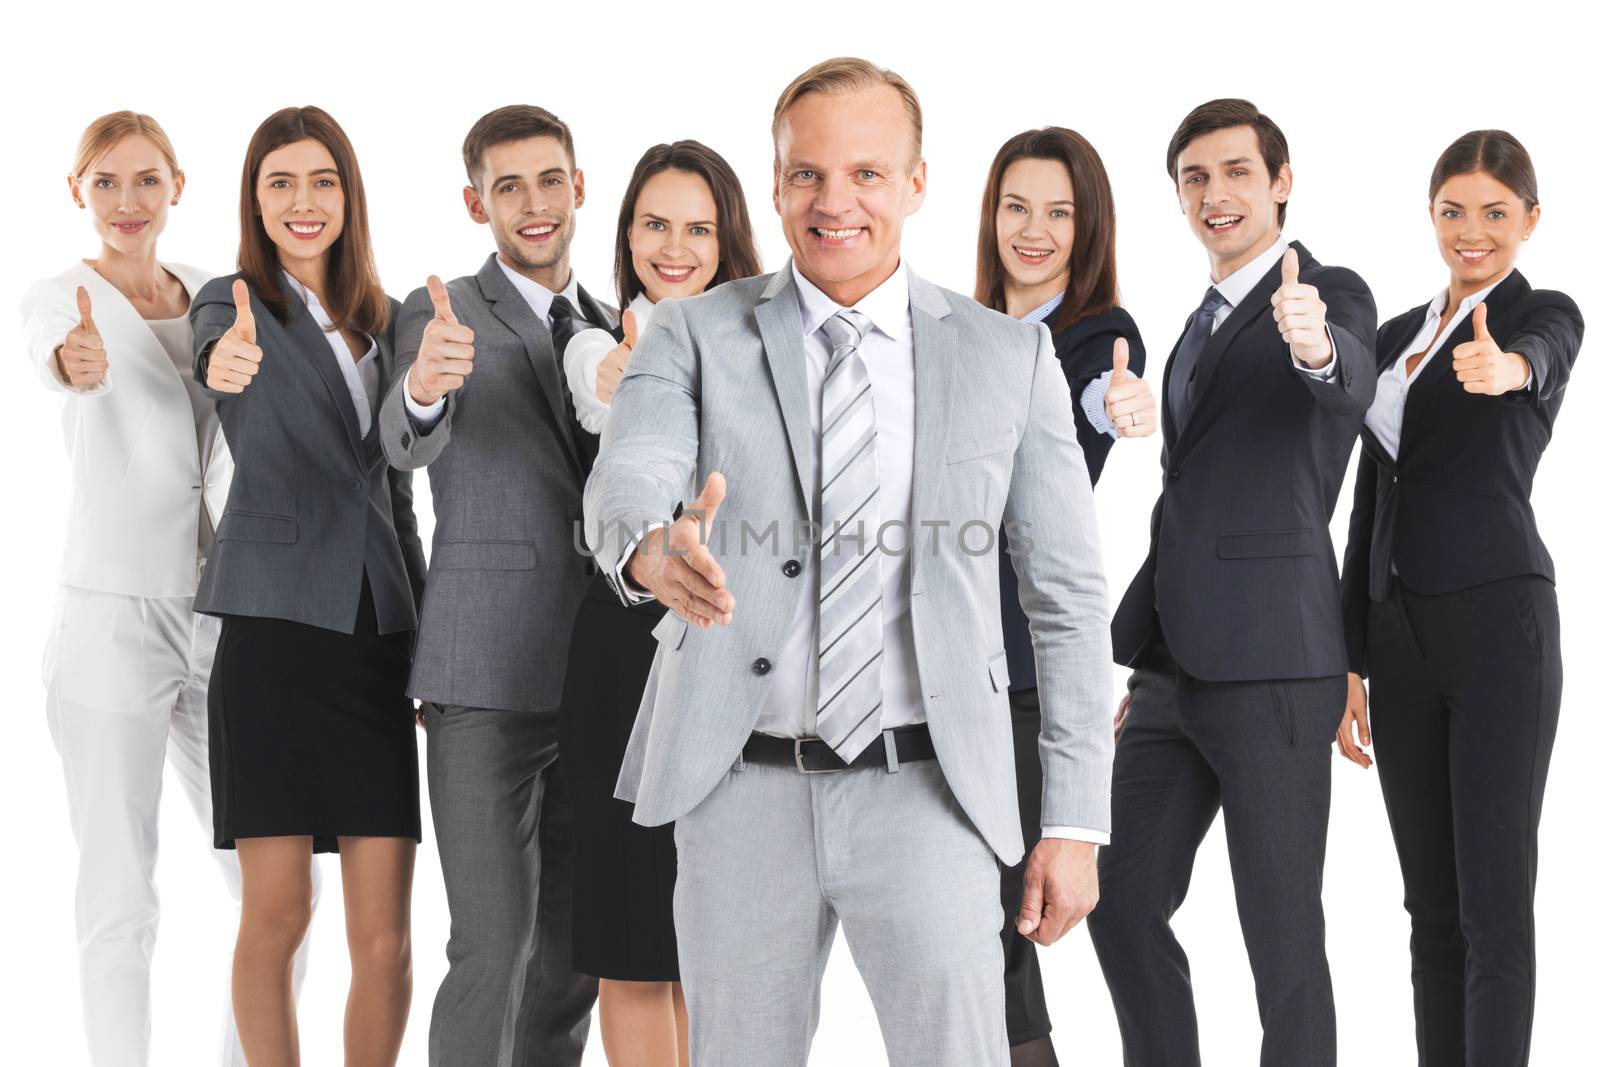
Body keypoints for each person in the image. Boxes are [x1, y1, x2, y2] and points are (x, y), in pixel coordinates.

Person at [584, 57, 1113, 1067]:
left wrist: (1077, 816)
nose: (835, 202)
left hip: (930, 791)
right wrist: (652, 547)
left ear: (917, 183)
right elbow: (632, 468)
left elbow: (1068, 599)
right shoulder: (693, 332)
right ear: (776, 183)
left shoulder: (1008, 356)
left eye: (867, 174)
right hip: (738, 791)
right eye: (807, 175)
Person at [1086, 98, 1377, 1067]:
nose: (1215, 193)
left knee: (1281, 935)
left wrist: (1314, 341)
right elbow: (1195, 493)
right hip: (1171, 672)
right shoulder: (1195, 325)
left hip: (1275, 666)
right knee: (1119, 899)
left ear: (1279, 182)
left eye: (1236, 172)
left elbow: (1347, 379)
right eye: (1195, 178)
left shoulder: (1325, 290)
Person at [20, 110, 313, 1067]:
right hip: (112, 618)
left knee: (277, 887)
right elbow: (50, 352)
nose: (126, 202)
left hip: (222, 615)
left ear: (178, 186)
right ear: (78, 193)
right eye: (105, 182)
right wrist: (71, 360)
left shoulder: (214, 294)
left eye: (146, 180)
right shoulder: (59, 298)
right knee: (120, 892)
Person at [1337, 130, 1582, 1067]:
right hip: (1398, 637)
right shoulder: (1396, 337)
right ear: (1431, 214)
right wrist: (1352, 651)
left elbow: (1549, 352)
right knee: (1428, 909)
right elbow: (1368, 499)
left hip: (1497, 627)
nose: (1471, 232)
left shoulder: (1538, 313)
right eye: (1453, 211)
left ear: (1528, 220)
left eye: (1494, 213)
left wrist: (1511, 370)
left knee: (1493, 905)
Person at [377, 105, 615, 1067]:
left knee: (569, 953)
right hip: (481, 673)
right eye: (507, 186)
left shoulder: (610, 325)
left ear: (579, 187)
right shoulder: (438, 314)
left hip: (595, 676)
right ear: (476, 201)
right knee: (491, 941)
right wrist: (425, 387)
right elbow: (402, 441)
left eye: (548, 179)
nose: (533, 203)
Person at [194, 105, 427, 1067]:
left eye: (321, 181)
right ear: (255, 198)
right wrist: (227, 357)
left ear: (348, 195)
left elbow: (400, 493)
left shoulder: (383, 319)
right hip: (273, 636)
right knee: (279, 911)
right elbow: (218, 357)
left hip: (375, 639)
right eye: (280, 182)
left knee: (384, 938)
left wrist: (428, 644)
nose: (303, 201)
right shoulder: (232, 299)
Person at [557, 139, 761, 1067]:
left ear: (727, 239)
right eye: (653, 224)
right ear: (625, 232)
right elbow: (615, 427)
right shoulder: (603, 344)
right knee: (633, 950)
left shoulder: (769, 344)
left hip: (732, 654)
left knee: (715, 950)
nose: (672, 247)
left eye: (697, 227)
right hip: (624, 649)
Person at [972, 126, 1152, 1067]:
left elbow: (1100, 394)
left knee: (992, 923)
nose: (1033, 231)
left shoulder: (1095, 336)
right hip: (936, 665)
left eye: (1059, 212)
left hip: (1020, 674)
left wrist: (1118, 408)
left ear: (1088, 230)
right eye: (1016, 206)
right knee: (969, 929)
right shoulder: (957, 330)